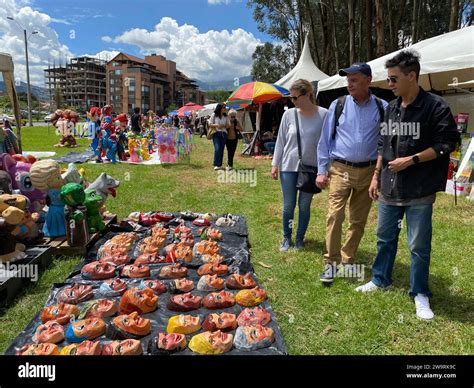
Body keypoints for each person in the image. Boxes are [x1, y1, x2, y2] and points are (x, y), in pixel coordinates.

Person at [355, 50, 459, 321]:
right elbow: (383, 144)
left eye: (393, 79)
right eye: (388, 79)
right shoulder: (391, 108)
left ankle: (420, 293)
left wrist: (411, 160)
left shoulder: (435, 106)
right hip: (389, 186)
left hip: (419, 189)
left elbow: (447, 144)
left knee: (418, 245)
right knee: (384, 238)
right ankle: (380, 279)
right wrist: (376, 174)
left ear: (412, 76)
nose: (389, 85)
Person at [316, 62, 388, 284]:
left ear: (368, 80)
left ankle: (347, 261)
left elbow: (385, 143)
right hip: (340, 169)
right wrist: (321, 171)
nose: (349, 84)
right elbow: (324, 141)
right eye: (348, 80)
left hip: (368, 172)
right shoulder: (337, 105)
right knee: (334, 216)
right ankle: (331, 263)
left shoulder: (382, 106)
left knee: (358, 220)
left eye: (354, 80)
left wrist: (379, 173)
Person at [271, 79, 327, 251]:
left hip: (311, 168)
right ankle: (286, 238)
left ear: (308, 95)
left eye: (295, 98)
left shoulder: (324, 114)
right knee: (288, 205)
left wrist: (326, 169)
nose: (292, 101)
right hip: (288, 166)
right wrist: (275, 163)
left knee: (304, 205)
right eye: (291, 98)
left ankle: (300, 238)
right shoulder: (289, 115)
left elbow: (327, 143)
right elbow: (280, 140)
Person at [208, 103, 229, 170]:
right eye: (224, 107)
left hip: (224, 134)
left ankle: (219, 165)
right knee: (217, 149)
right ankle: (216, 164)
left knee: (221, 149)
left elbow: (229, 125)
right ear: (220, 108)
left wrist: (224, 126)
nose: (225, 109)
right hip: (216, 133)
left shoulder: (226, 116)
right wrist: (217, 125)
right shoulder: (214, 115)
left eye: (225, 107)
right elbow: (210, 124)